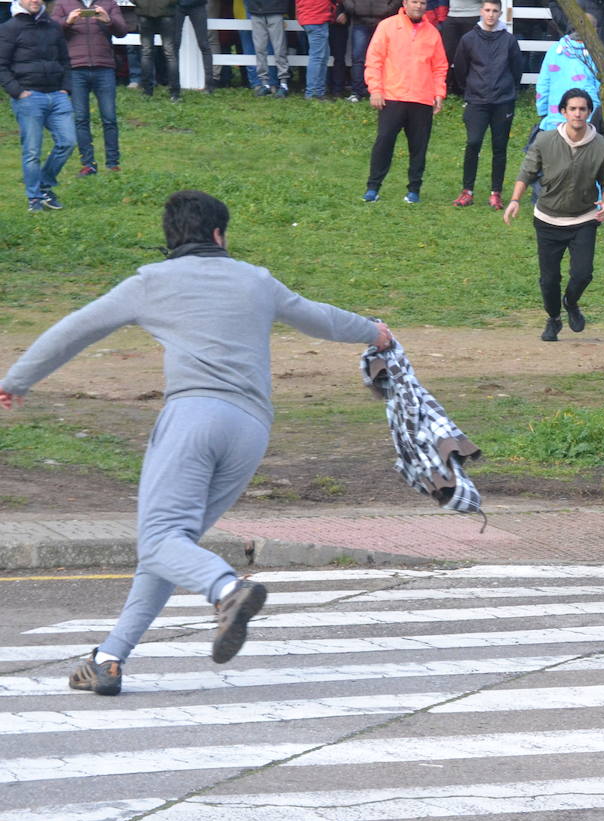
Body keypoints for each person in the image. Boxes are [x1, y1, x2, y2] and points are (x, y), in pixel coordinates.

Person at [0, 191, 395, 696]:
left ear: (171, 238)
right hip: (251, 429)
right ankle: (108, 658)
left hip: (193, 419)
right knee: (169, 547)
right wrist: (374, 332)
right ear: (217, 235)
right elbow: (317, 317)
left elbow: (75, 330)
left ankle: (228, 589)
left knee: (160, 540)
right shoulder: (256, 280)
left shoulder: (151, 282)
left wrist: (17, 380)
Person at [505, 89, 604, 342]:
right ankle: (553, 318)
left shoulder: (601, 145)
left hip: (583, 218)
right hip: (548, 219)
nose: (578, 113)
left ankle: (571, 303)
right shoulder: (545, 140)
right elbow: (527, 172)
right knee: (549, 278)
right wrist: (515, 200)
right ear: (563, 111)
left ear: (588, 112)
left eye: (582, 109)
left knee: (583, 273)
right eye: (572, 108)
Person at [361, 0, 447, 204]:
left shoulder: (433, 33)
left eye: (422, 2)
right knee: (383, 143)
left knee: (419, 147)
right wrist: (375, 89)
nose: (418, 6)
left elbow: (440, 67)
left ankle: (414, 190)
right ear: (405, 3)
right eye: (415, 1)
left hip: (422, 98)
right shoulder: (387, 26)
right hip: (392, 97)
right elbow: (374, 60)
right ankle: (373, 187)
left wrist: (438, 93)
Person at [0, 0, 76, 213]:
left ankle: (44, 183)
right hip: (29, 97)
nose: (35, 0)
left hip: (57, 95)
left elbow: (65, 60)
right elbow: (1, 65)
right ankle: (34, 198)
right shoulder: (9, 28)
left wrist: (65, 89)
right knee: (32, 151)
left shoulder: (53, 26)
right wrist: (18, 92)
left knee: (68, 142)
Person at [451, 0, 521, 208]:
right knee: (473, 143)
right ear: (481, 11)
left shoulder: (509, 40)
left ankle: (496, 192)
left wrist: (507, 89)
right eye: (487, 10)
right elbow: (460, 69)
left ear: (500, 13)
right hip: (476, 100)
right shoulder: (469, 39)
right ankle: (467, 191)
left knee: (500, 147)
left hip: (503, 101)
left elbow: (517, 70)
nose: (491, 15)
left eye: (495, 11)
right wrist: (470, 89)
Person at [53, 0, 126, 177]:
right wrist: (67, 21)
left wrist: (108, 20)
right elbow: (52, 30)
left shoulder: (108, 3)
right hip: (76, 68)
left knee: (109, 118)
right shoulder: (63, 3)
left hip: (104, 66)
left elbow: (122, 31)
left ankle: (113, 163)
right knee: (81, 119)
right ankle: (88, 164)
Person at [534, 28, 599, 130]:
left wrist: (542, 111)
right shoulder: (597, 52)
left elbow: (543, 83)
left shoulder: (554, 50)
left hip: (556, 117)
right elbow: (601, 85)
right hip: (587, 116)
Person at [343, 0, 397, 102]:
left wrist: (388, 10)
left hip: (384, 22)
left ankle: (383, 91)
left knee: (386, 59)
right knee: (358, 58)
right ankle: (357, 92)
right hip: (360, 22)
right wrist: (354, 9)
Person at [130, 0, 179, 99]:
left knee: (146, 52)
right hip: (166, 12)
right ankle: (174, 93)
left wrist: (140, 3)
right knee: (170, 53)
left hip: (144, 12)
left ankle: (147, 91)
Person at [246, 0, 288, 96]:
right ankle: (265, 84)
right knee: (260, 49)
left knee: (279, 49)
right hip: (257, 10)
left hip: (274, 10)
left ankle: (283, 84)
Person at [296, 0, 334, 99]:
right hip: (317, 18)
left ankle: (318, 91)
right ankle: (312, 92)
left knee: (322, 56)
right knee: (317, 58)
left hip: (310, 17)